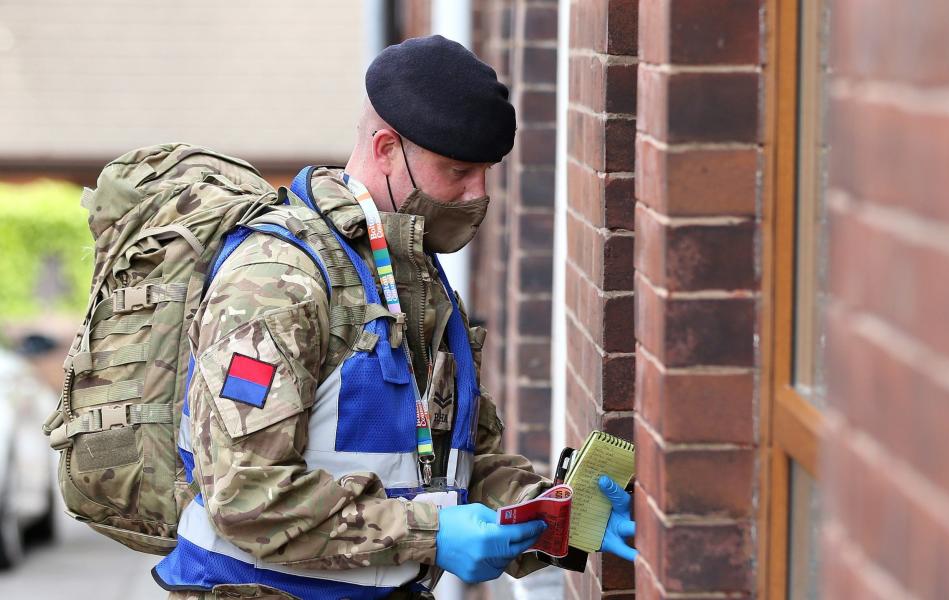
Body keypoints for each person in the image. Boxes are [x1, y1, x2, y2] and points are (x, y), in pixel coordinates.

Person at [152, 35, 636, 600]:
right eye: (457, 170)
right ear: (385, 148)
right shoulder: (277, 279)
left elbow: (455, 465)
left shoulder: (417, 278)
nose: (476, 194)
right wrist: (434, 533)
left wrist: (558, 517)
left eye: (486, 172)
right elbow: (245, 494)